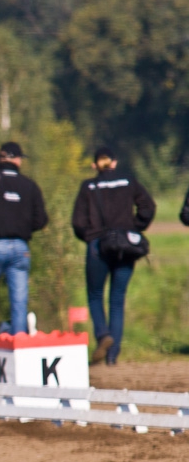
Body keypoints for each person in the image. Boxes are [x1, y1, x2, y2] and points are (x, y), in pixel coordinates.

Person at [71, 146, 155, 365]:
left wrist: (91, 237)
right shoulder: (128, 181)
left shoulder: (89, 186)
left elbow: (78, 223)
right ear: (115, 162)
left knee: (95, 295)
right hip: (126, 245)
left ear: (94, 165)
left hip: (99, 246)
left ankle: (103, 335)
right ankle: (112, 356)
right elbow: (148, 207)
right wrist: (135, 228)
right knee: (117, 300)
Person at [0, 142, 48, 366]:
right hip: (21, 248)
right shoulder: (29, 186)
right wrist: (22, 229)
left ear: (0, 157)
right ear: (18, 160)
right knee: (19, 300)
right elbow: (41, 219)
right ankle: (19, 349)